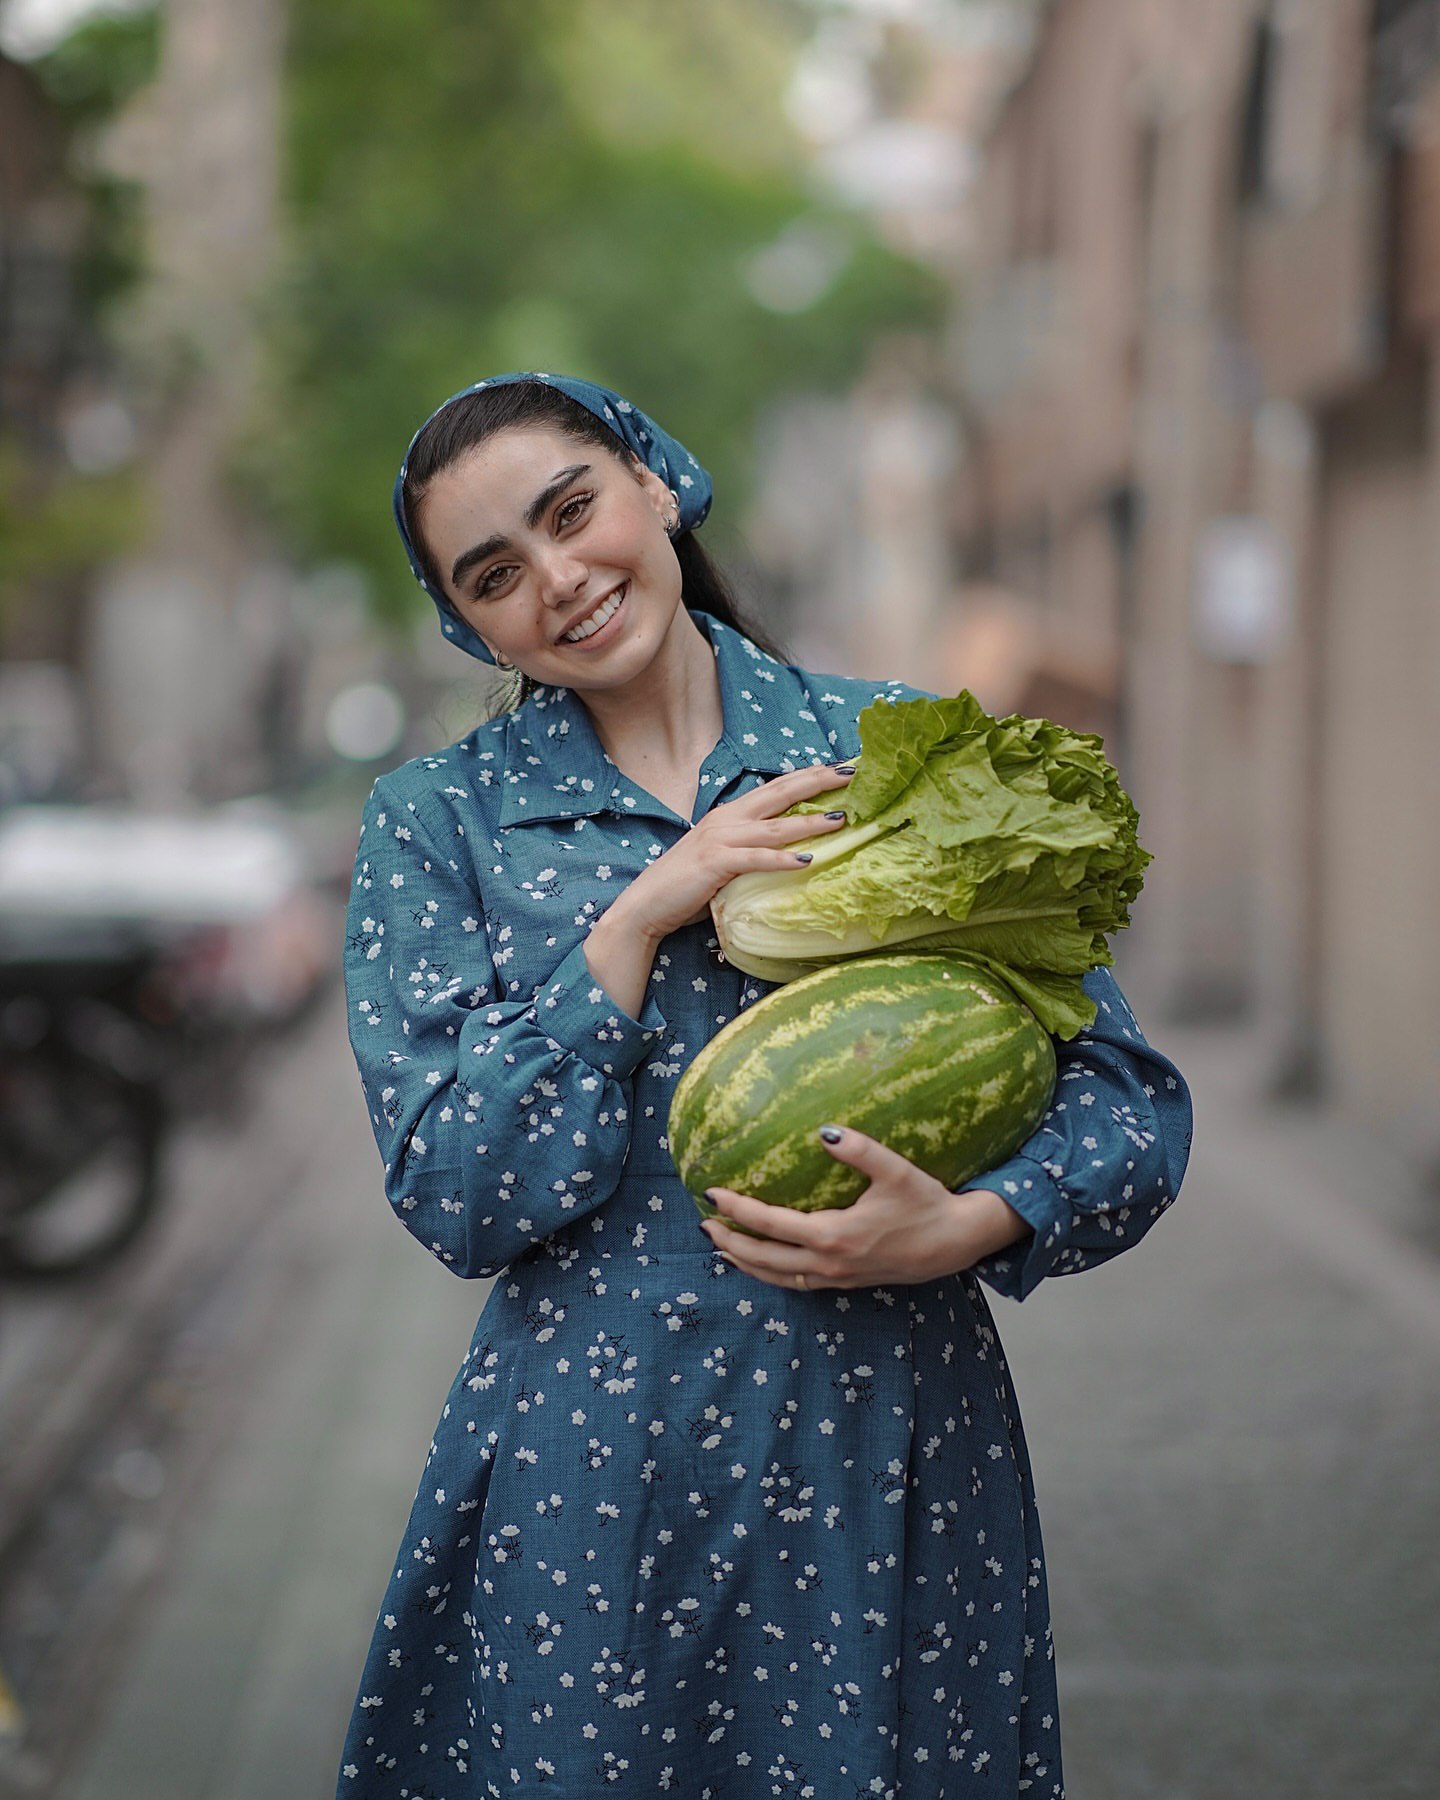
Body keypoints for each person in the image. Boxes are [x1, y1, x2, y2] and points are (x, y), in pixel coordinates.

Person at [335, 372, 1194, 1799]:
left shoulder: (896, 748)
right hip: (593, 1476)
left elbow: (1128, 1105)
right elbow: (457, 1192)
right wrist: (632, 923)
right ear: (464, 620)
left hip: (892, 1443)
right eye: (496, 572)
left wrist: (968, 1227)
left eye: (573, 510)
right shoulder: (439, 823)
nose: (560, 578)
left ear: (656, 482)